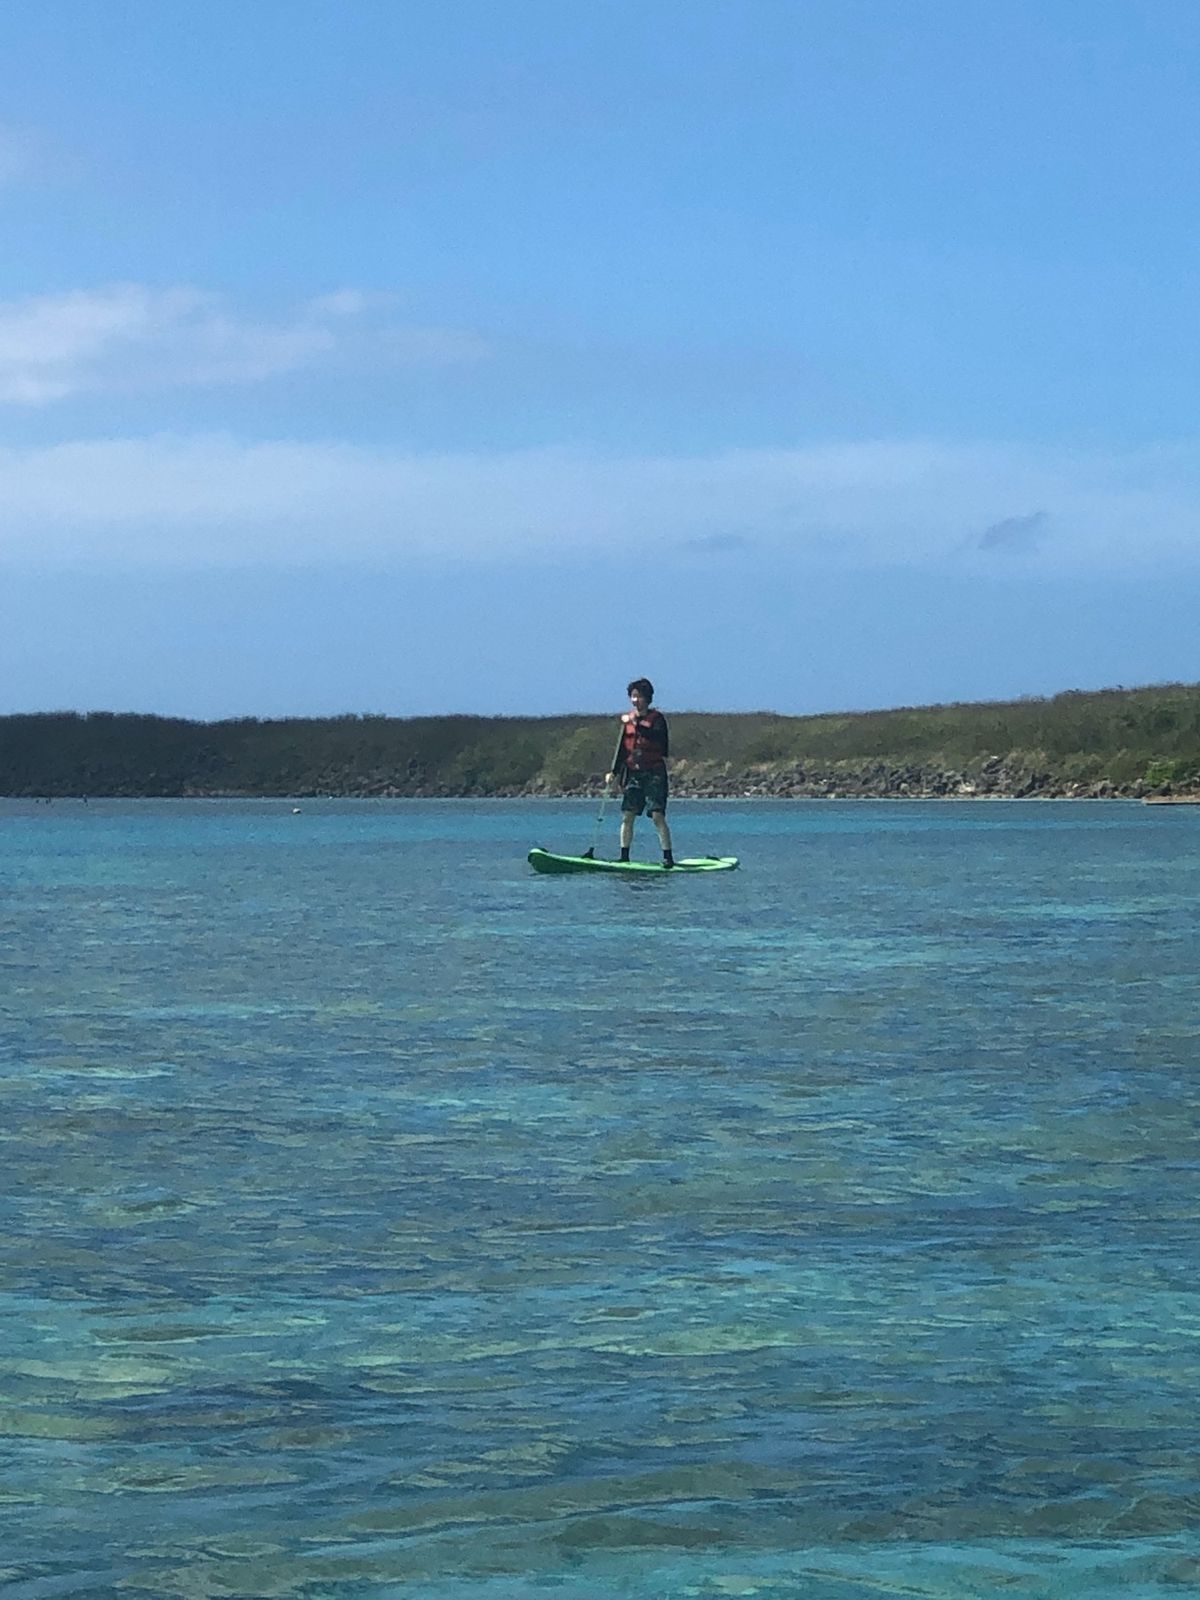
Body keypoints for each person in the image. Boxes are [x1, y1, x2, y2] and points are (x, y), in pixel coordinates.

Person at [606, 677, 674, 867]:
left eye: (639, 697)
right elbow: (622, 749)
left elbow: (659, 739)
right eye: (633, 697)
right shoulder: (627, 721)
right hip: (633, 774)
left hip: (654, 773)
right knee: (628, 815)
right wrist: (614, 772)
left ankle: (668, 857)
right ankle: (624, 856)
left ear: (647, 698)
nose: (635, 700)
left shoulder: (657, 719)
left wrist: (637, 724)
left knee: (657, 815)